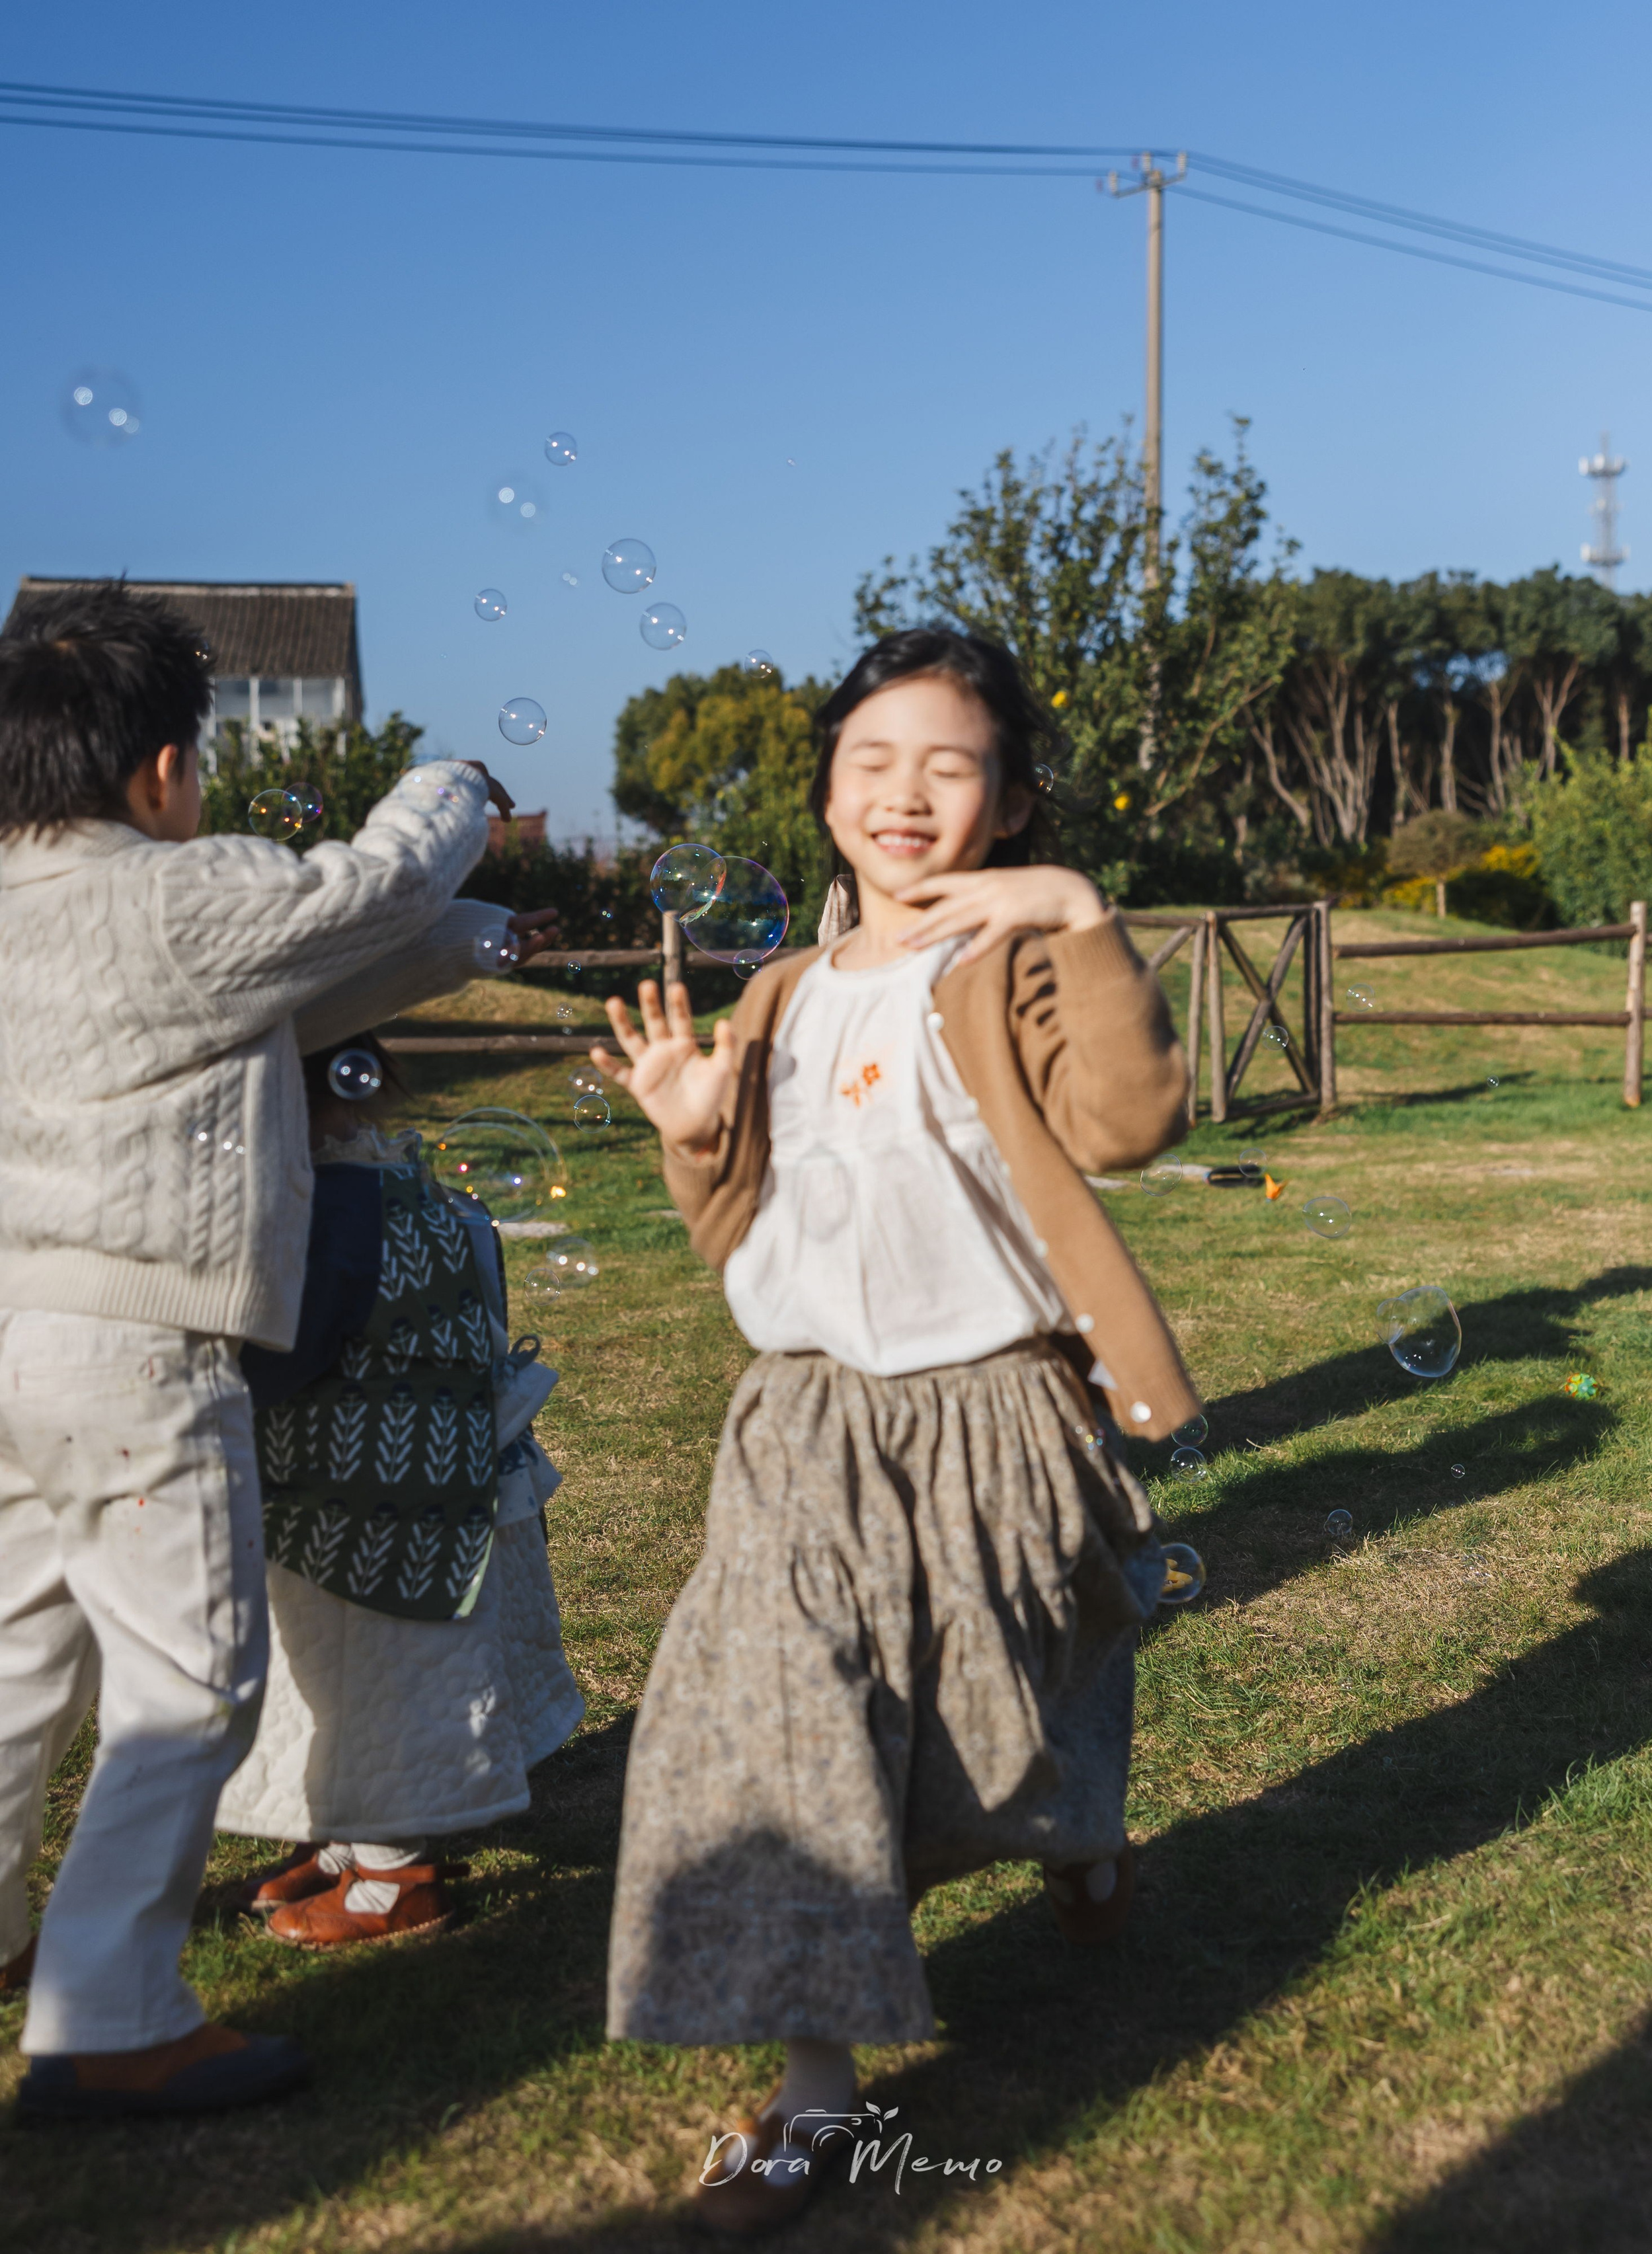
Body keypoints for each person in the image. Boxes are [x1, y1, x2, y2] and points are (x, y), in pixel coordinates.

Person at [592, 627, 1202, 2234]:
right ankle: (816, 2104)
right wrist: (689, 1133)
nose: (906, 792)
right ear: (827, 792)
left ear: (1007, 801)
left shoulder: (1011, 961)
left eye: (950, 764)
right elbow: (739, 1227)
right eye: (872, 760)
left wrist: (1075, 913)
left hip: (994, 1407)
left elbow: (1131, 1127)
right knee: (780, 1712)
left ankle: (1073, 1836)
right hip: (799, 1420)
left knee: (993, 1714)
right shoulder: (785, 988)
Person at [0, 580, 522, 2121]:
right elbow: (363, 888)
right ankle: (112, 2015)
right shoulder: (177, 891)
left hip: (9, 1345)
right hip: (138, 1358)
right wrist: (454, 795)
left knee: (19, 1659)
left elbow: (263, 995)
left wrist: (479, 936)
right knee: (181, 1682)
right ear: (160, 770)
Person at [214, 1034, 583, 1942]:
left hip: (358, 1497)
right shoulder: (402, 1182)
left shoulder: (327, 1207)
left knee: (372, 1673)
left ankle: (397, 1873)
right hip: (424, 1481)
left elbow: (282, 1354)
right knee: (364, 1671)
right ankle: (355, 1837)